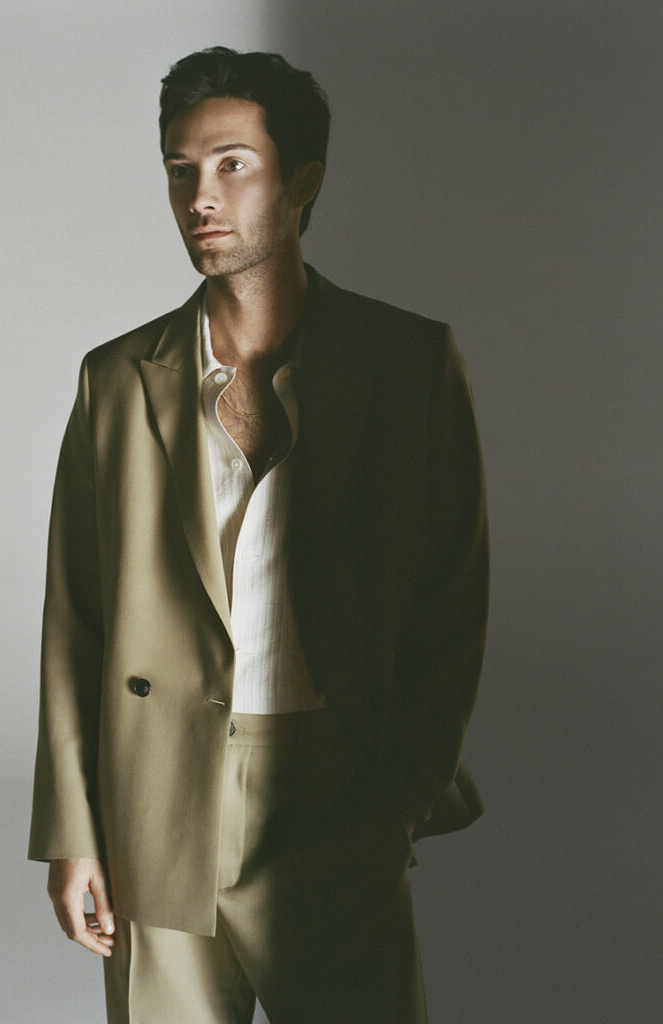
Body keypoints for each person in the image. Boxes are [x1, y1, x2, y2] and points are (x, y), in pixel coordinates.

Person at [29, 46, 489, 1024]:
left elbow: (452, 599)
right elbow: (75, 617)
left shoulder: (408, 363)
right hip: (156, 791)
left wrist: (401, 794)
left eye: (232, 164)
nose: (200, 195)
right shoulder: (116, 379)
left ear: (301, 181)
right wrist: (73, 830)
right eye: (180, 170)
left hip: (338, 786)